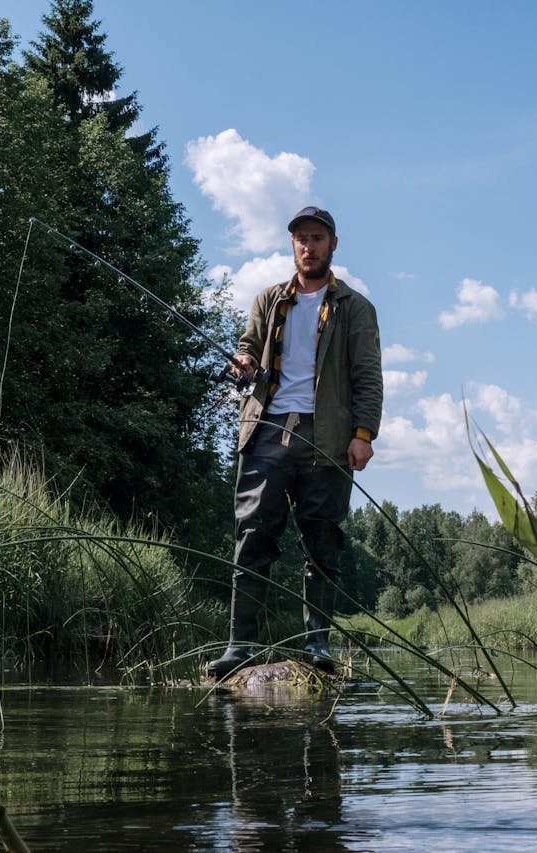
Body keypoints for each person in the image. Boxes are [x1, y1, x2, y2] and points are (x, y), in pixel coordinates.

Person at [206, 206, 383, 680]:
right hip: (265, 431)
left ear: (333, 245)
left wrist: (363, 435)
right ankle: (240, 645)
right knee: (252, 537)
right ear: (293, 246)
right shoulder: (268, 300)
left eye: (317, 238)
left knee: (322, 540)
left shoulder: (357, 308)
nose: (309, 246)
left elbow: (368, 377)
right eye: (301, 239)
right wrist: (243, 362)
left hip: (327, 438)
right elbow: (247, 345)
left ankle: (317, 644)